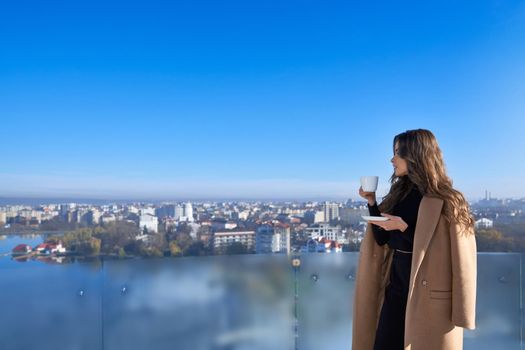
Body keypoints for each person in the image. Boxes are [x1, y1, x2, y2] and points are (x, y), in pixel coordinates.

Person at [352, 129, 477, 350]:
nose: (392, 159)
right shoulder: (400, 194)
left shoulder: (449, 200)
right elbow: (382, 239)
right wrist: (371, 202)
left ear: (416, 155)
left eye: (398, 153)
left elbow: (459, 256)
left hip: (430, 294)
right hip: (397, 286)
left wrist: (403, 227)